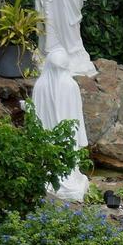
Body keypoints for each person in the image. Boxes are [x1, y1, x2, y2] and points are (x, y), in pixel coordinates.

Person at [31, 46, 88, 201]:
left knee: (49, 160)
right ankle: (68, 180)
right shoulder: (71, 85)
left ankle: (50, 180)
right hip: (68, 136)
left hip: (46, 137)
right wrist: (81, 137)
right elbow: (77, 114)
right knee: (68, 160)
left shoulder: (40, 85)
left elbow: (34, 116)